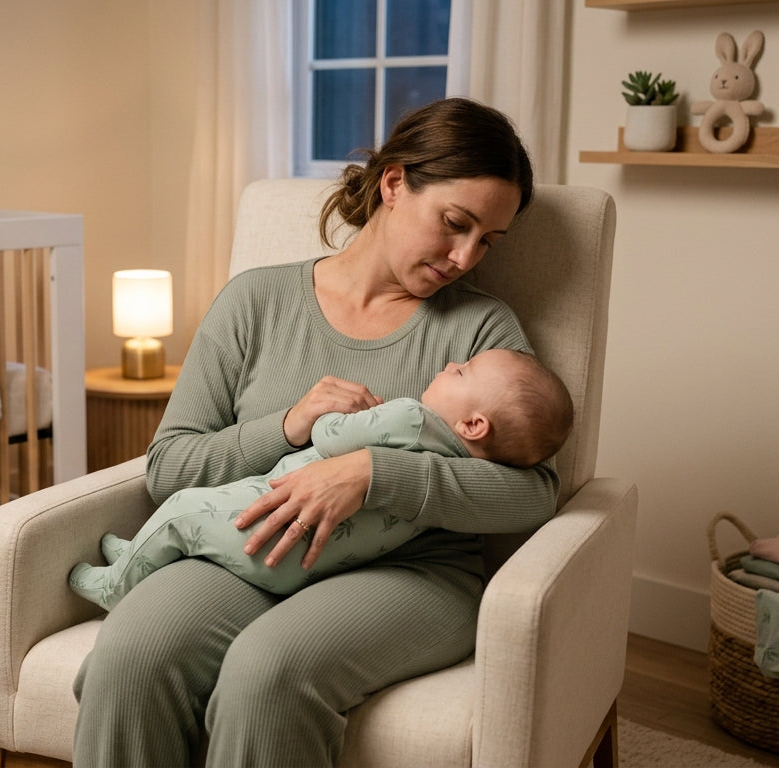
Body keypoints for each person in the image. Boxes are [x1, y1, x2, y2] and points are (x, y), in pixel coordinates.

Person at [72, 97, 553, 767]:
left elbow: (533, 493)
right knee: (131, 656)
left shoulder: (479, 330)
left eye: (487, 241)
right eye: (454, 223)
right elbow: (170, 466)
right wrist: (289, 425)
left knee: (267, 674)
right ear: (393, 184)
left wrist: (371, 474)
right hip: (255, 549)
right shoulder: (256, 302)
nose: (465, 256)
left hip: (411, 574)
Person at [67, 348, 572, 611]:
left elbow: (331, 437)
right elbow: (170, 461)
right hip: (309, 565)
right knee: (195, 520)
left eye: (462, 372)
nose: (449, 364)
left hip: (270, 525)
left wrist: (330, 417)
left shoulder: (411, 418)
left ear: (474, 424)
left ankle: (115, 585)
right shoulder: (466, 468)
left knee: (183, 512)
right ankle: (136, 553)